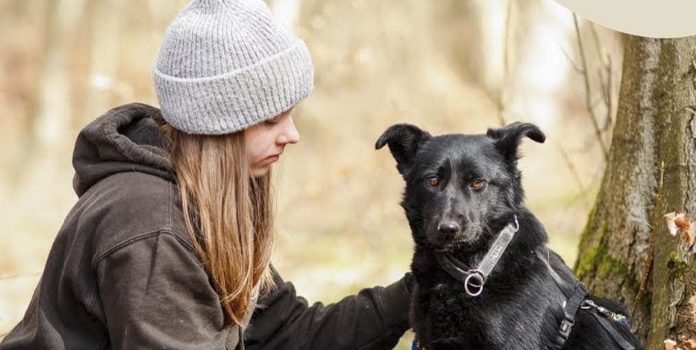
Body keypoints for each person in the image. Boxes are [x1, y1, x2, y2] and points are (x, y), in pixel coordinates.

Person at [0, 0, 412, 349]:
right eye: (270, 120)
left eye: (290, 114)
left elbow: (286, 331)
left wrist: (424, 293)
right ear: (218, 128)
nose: (292, 135)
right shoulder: (152, 228)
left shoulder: (206, 202)